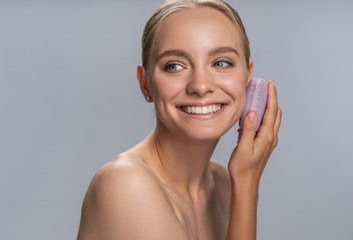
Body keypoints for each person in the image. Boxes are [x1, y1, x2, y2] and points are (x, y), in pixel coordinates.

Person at [77, 0, 282, 239]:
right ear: (145, 84)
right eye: (174, 66)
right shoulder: (124, 184)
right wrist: (247, 185)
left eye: (221, 63)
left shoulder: (225, 183)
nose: (200, 86)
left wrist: (241, 183)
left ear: (247, 78)